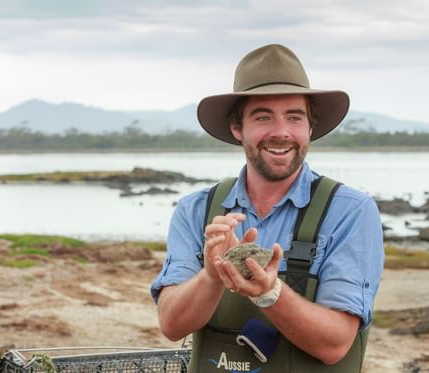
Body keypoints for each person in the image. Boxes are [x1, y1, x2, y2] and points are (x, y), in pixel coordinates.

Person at [151, 44, 384, 373]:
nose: (281, 132)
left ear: (310, 127)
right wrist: (212, 275)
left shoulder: (350, 211)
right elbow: (172, 325)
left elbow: (335, 344)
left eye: (294, 117)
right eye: (263, 117)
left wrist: (269, 292)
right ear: (237, 128)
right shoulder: (195, 211)